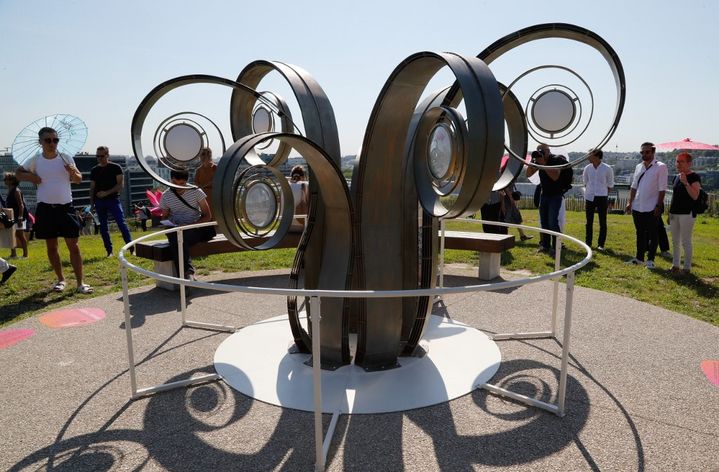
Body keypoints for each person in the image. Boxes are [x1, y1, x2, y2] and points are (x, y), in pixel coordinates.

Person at [15, 127, 93, 293]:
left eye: (55, 140)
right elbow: (18, 173)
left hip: (66, 207)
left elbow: (78, 180)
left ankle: (80, 283)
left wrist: (73, 172)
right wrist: (32, 177)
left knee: (74, 246)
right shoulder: (35, 160)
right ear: (40, 142)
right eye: (48, 140)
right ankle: (61, 280)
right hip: (45, 208)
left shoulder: (65, 158)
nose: (52, 143)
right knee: (51, 247)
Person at [160, 169, 215, 280]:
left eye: (182, 184)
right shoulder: (166, 195)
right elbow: (164, 217)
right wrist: (169, 223)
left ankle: (185, 275)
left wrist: (189, 225)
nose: (178, 186)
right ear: (170, 181)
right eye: (175, 183)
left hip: (196, 228)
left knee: (178, 240)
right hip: (176, 229)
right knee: (176, 238)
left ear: (186, 181)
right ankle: (188, 273)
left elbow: (207, 216)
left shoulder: (196, 191)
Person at [624, 142, 668, 269]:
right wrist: (629, 202)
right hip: (638, 206)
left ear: (653, 152)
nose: (644, 154)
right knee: (640, 233)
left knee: (653, 234)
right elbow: (633, 186)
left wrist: (658, 206)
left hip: (651, 206)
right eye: (642, 152)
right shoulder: (639, 166)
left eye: (647, 152)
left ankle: (650, 260)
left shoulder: (661, 167)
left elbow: (662, 189)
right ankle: (639, 258)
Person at [90, 146, 133, 257]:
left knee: (121, 223)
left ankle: (131, 248)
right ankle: (109, 251)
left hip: (113, 200)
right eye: (97, 156)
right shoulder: (94, 170)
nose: (99, 158)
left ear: (107, 155)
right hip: (99, 202)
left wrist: (106, 193)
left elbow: (120, 185)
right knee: (103, 227)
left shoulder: (116, 167)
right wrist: (92, 204)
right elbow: (92, 188)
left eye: (102, 156)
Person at [526, 144, 568, 253]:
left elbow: (555, 176)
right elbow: (528, 174)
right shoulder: (539, 161)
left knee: (552, 222)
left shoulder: (556, 159)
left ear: (548, 151)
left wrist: (543, 164)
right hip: (544, 195)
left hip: (555, 195)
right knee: (544, 222)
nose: (540, 153)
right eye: (538, 151)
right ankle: (545, 246)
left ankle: (556, 247)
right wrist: (532, 162)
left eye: (542, 151)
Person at [668, 152, 702, 274]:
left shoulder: (694, 177)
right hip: (674, 213)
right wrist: (669, 213)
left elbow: (695, 196)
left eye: (681, 161)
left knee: (685, 241)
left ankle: (686, 268)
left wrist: (686, 183)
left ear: (689, 163)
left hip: (687, 213)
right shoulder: (676, 177)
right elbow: (675, 197)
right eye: (677, 161)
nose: (678, 164)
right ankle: (675, 265)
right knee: (675, 240)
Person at [582, 149, 614, 251]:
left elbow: (610, 184)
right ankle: (588, 243)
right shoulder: (587, 168)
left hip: (602, 196)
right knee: (589, 221)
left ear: (596, 156)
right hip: (590, 197)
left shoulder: (607, 168)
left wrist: (604, 194)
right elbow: (585, 182)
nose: (587, 157)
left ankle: (601, 244)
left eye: (589, 155)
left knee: (602, 222)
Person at [4, 173, 29, 258]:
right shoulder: (10, 190)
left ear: (12, 181)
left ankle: (25, 255)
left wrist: (20, 218)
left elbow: (21, 205)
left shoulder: (16, 191)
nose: (4, 181)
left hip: (18, 217)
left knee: (20, 235)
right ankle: (13, 254)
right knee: (11, 235)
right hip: (11, 216)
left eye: (6, 179)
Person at [193, 148, 217, 214]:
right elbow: (195, 182)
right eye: (201, 155)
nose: (201, 157)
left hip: (213, 195)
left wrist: (203, 186)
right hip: (202, 196)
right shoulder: (198, 170)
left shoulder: (215, 168)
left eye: (203, 154)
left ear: (209, 155)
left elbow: (216, 181)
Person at [289, 165, 309, 232]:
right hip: (301, 227)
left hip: (286, 227)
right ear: (303, 177)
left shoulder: (285, 186)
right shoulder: (305, 185)